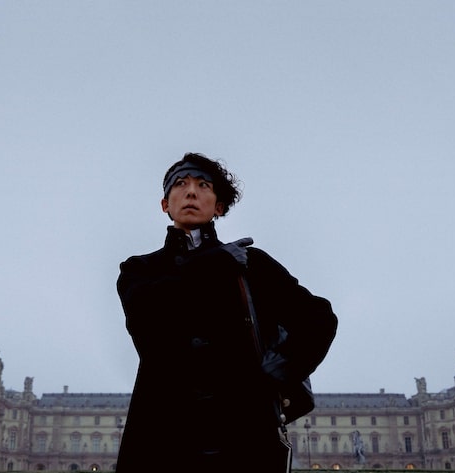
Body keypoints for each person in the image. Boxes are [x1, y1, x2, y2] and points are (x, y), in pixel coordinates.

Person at [115, 152, 338, 472]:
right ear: (165, 205)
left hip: (245, 435)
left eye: (203, 185)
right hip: (164, 436)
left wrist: (282, 366)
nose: (191, 192)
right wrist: (214, 264)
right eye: (180, 184)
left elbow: (318, 318)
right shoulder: (139, 270)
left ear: (218, 207)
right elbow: (146, 321)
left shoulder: (253, 265)